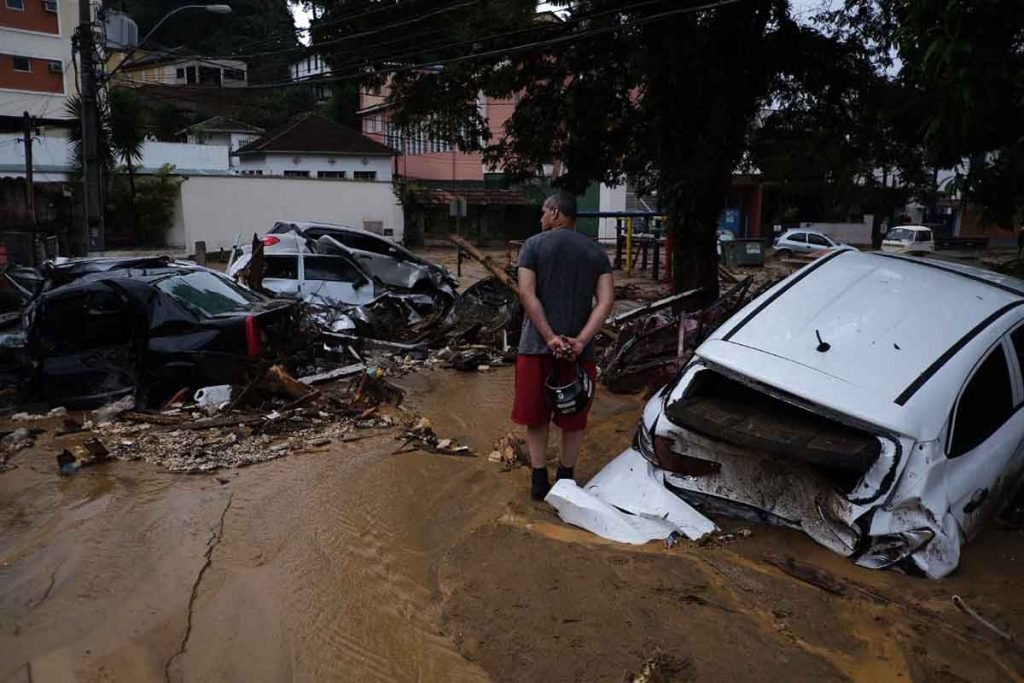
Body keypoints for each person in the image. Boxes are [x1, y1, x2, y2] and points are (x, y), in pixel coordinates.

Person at [512, 192, 615, 500]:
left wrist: (549, 338)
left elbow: (527, 295)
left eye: (544, 212)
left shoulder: (532, 246)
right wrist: (581, 340)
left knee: (536, 416)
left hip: (535, 348)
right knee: (573, 418)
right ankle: (567, 481)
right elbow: (606, 301)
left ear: (556, 212)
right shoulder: (596, 252)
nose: (541, 218)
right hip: (579, 352)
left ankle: (539, 481)